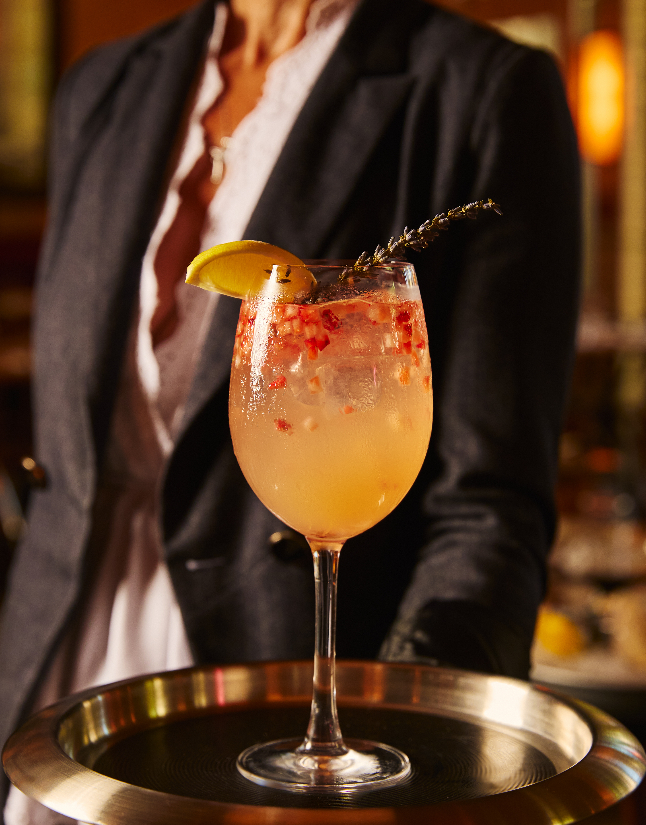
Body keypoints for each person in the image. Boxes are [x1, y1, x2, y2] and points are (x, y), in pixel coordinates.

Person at [0, 0, 581, 819]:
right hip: (63, 683)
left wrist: (413, 746)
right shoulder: (102, 84)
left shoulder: (483, 91)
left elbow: (488, 507)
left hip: (287, 703)